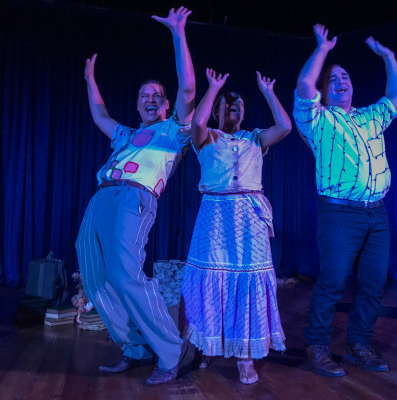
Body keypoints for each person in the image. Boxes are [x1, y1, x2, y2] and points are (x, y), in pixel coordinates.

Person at [75, 6, 195, 386]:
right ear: (137, 104)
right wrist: (90, 79)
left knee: (126, 274)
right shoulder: (127, 135)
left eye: (156, 95)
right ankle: (135, 347)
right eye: (144, 95)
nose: (150, 98)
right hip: (101, 199)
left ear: (165, 104)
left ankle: (172, 351)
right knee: (95, 277)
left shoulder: (173, 132)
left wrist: (177, 32)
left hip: (135, 199)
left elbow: (188, 89)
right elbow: (100, 115)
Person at [293, 24, 397, 377]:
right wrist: (323, 49)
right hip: (340, 214)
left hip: (377, 214)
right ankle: (317, 346)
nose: (341, 81)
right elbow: (304, 85)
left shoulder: (370, 116)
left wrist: (388, 57)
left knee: (374, 284)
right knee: (333, 282)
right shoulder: (318, 120)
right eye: (333, 79)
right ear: (325, 90)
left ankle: (359, 344)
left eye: (345, 77)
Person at [181, 68, 291, 384]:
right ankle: (207, 344)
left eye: (239, 103)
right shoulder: (207, 138)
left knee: (246, 281)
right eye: (227, 103)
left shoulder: (255, 138)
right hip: (215, 213)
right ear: (216, 110)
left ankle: (245, 356)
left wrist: (268, 92)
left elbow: (285, 126)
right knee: (212, 279)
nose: (234, 105)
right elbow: (197, 123)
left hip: (249, 215)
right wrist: (214, 88)